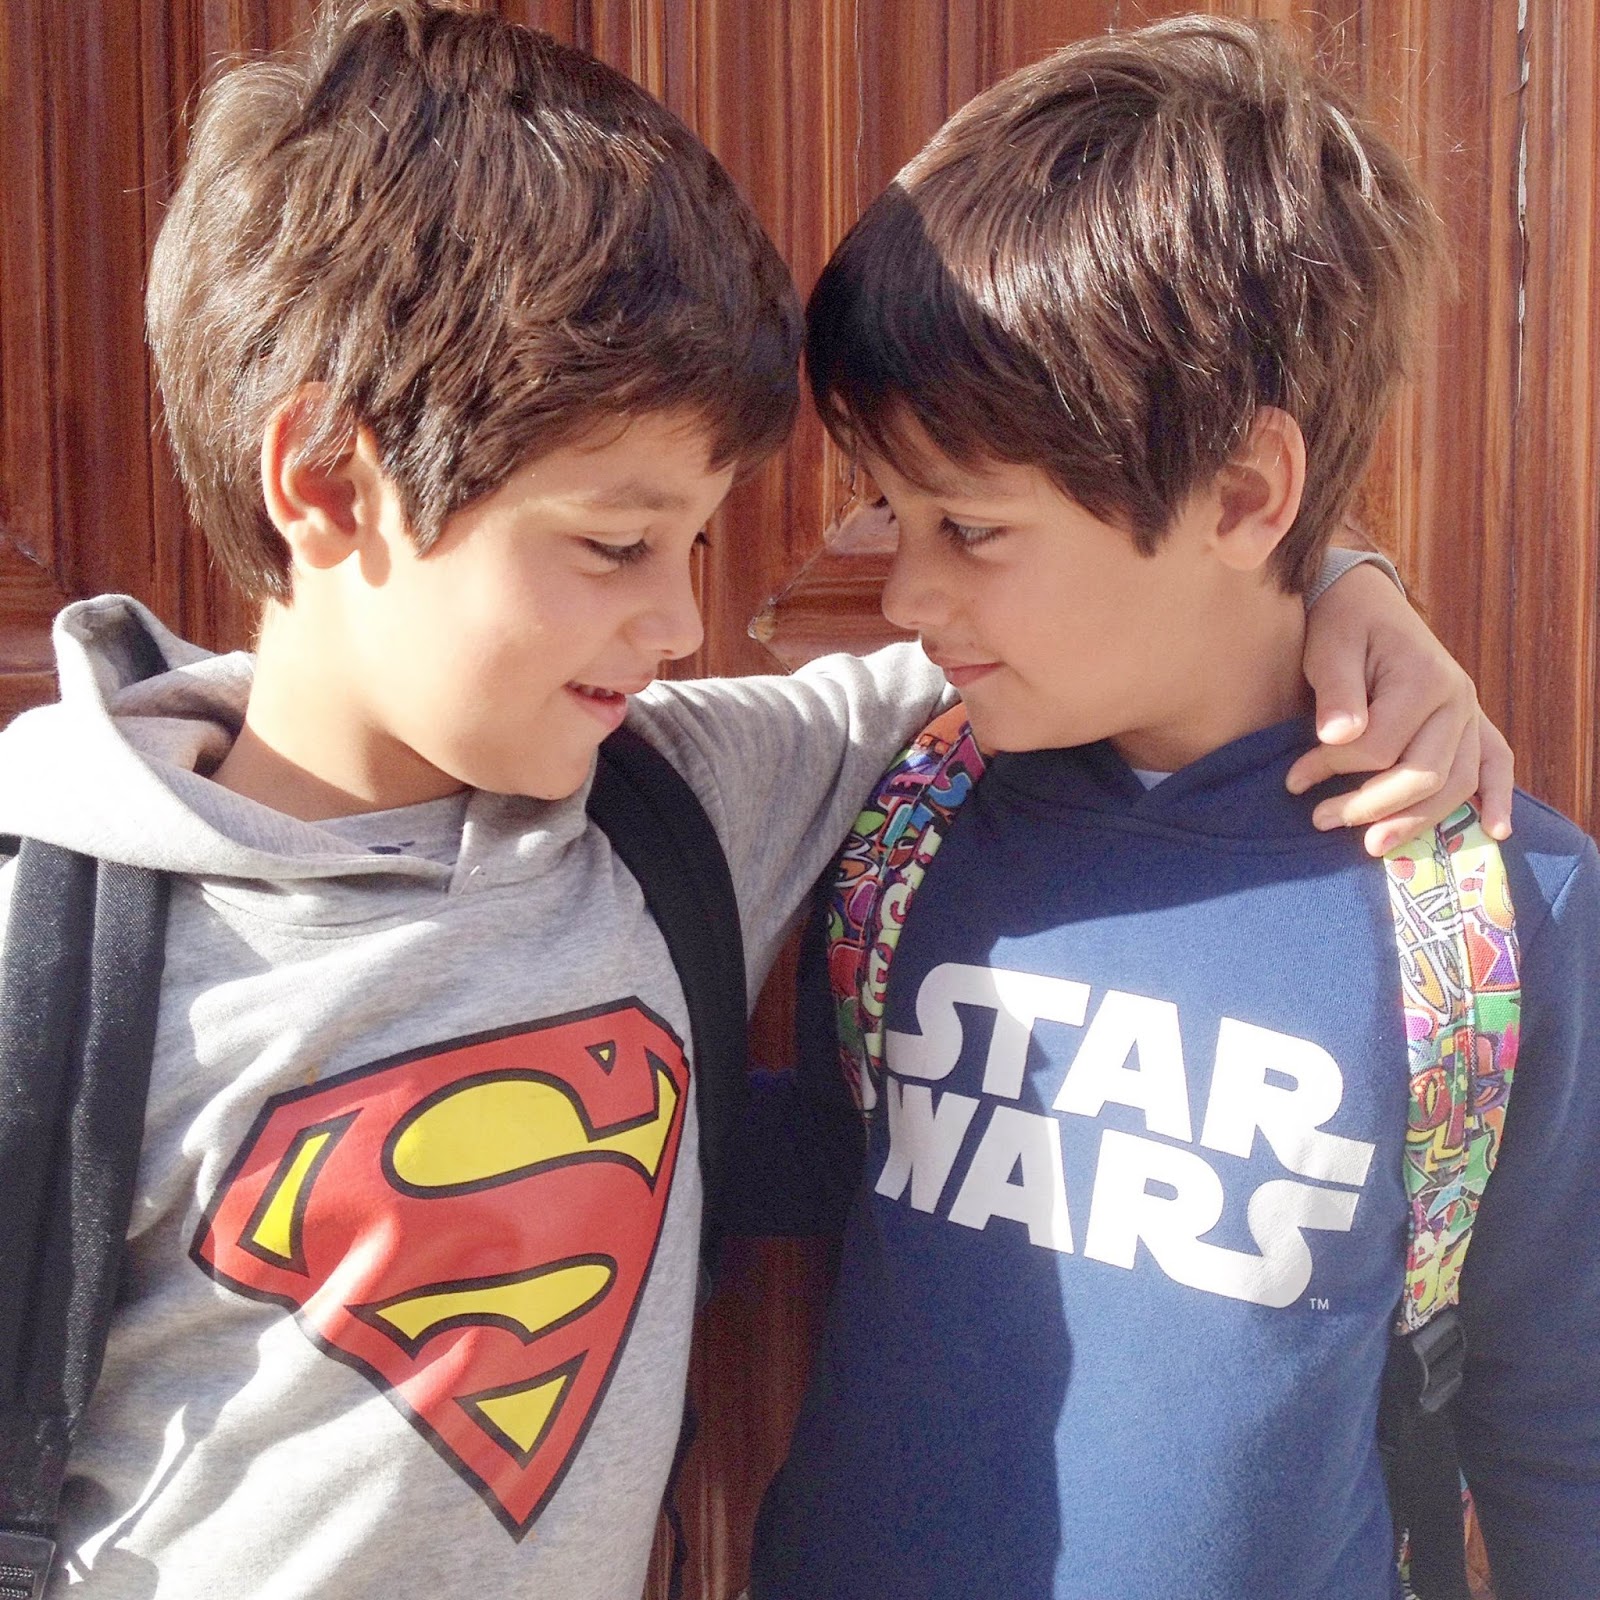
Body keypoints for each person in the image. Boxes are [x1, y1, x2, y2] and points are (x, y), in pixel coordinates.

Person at [0, 5, 1505, 1598]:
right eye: (615, 544)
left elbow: (1108, 596)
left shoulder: (671, 811)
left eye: (699, 544)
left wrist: (1340, 579)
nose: (678, 622)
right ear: (322, 483)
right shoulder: (54, 950)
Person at [749, 17, 1599, 1600]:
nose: (906, 593)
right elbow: (818, 1168)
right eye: (890, 511)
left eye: (970, 528)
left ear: (1244, 495)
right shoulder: (907, 829)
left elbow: (1556, 1416)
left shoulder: (1489, 916)